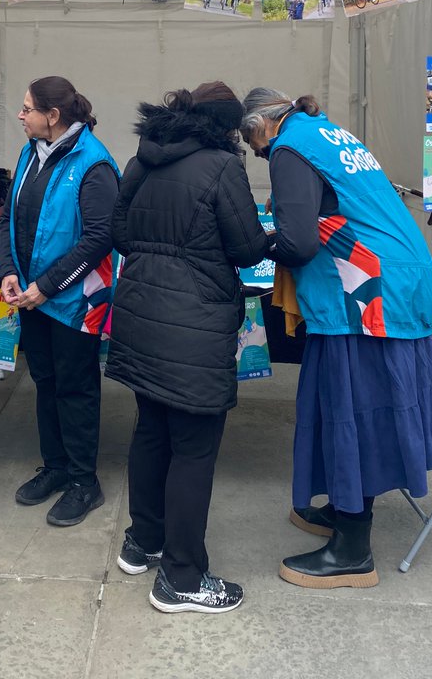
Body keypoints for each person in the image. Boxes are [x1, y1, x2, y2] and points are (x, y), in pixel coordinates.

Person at [240, 87, 432, 589]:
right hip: (400, 277)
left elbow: (298, 242)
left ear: (262, 125)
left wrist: (252, 245)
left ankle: (353, 551)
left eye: (252, 144)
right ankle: (343, 506)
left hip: (369, 294)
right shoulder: (325, 132)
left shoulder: (289, 149)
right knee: (352, 405)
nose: (256, 154)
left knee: (355, 411)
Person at [107, 82, 268, 614]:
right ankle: (181, 577)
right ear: (225, 127)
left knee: (152, 431)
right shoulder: (222, 167)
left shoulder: (143, 156)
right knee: (194, 449)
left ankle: (143, 540)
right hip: (193, 325)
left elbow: (120, 233)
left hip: (141, 315)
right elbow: (247, 250)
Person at [0, 77, 120, 527]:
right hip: (32, 295)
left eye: (27, 108)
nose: (20, 114)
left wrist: (47, 285)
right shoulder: (31, 151)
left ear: (53, 116)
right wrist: (8, 270)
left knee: (75, 387)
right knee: (45, 381)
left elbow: (100, 238)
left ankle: (85, 482)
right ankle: (55, 466)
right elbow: (10, 213)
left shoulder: (93, 162)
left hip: (72, 300)